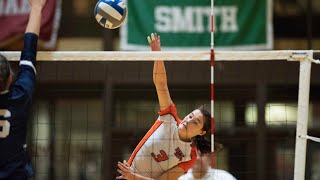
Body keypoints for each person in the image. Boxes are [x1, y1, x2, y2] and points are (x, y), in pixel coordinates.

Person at [116, 33, 221, 180]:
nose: (188, 121)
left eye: (195, 122)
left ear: (201, 132)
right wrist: (157, 55)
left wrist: (132, 177)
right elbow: (161, 83)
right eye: (190, 116)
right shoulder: (169, 117)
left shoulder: (189, 156)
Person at [0, 0, 46, 179]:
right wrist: (37, 8)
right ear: (10, 78)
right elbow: (29, 49)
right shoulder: (20, 95)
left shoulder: (22, 94)